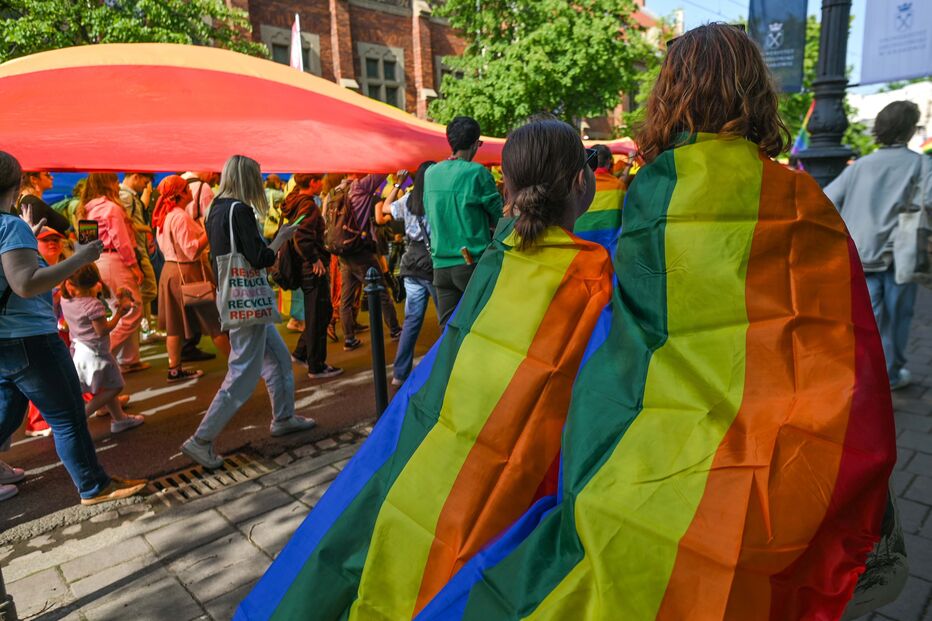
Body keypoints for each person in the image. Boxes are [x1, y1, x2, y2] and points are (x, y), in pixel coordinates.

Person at [236, 118, 613, 619]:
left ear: (509, 186)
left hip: (442, 273)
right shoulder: (594, 273)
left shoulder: (481, 234)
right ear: (579, 182)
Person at [0, 150, 146, 504]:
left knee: (7, 412)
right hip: (30, 338)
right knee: (67, 416)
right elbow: (24, 283)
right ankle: (94, 486)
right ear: (17, 183)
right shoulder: (10, 225)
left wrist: (28, 241)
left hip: (4, 341)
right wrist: (79, 258)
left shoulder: (13, 228)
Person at [182, 155, 316, 470]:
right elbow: (259, 257)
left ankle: (283, 417)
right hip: (249, 302)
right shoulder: (239, 210)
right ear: (247, 178)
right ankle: (201, 440)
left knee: (278, 359)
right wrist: (282, 237)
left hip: (236, 298)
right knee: (242, 372)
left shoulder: (216, 208)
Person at [826, 100, 931, 390]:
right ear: (910, 129)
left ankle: (860, 371)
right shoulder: (921, 164)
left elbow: (827, 198)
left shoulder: (861, 165)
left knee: (863, 318)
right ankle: (891, 374)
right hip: (900, 256)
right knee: (898, 319)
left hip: (860, 253)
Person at [423, 116, 503, 325]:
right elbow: (500, 217)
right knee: (482, 326)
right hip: (471, 263)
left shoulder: (431, 173)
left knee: (449, 333)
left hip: (440, 265)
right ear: (475, 143)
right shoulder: (477, 173)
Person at [152, 175, 230, 382]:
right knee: (215, 322)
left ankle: (175, 369)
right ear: (180, 194)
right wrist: (209, 232)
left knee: (174, 325)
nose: (191, 191)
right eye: (187, 189)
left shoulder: (166, 215)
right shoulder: (179, 217)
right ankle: (238, 365)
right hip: (188, 273)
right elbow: (191, 251)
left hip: (171, 272)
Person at [60, 265, 145, 433]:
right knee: (116, 386)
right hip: (97, 354)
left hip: (78, 351)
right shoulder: (92, 305)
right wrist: (120, 312)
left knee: (107, 384)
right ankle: (83, 415)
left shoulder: (66, 300)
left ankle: (119, 419)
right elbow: (103, 330)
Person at [78, 173, 149, 374]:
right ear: (107, 183)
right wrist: (134, 265)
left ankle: (128, 359)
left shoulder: (87, 209)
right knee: (132, 310)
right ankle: (100, 354)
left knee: (120, 307)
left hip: (99, 261)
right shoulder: (111, 208)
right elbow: (122, 240)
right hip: (115, 260)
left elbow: (85, 244)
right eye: (113, 180)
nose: (117, 184)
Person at [378, 162, 438, 386]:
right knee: (446, 319)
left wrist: (397, 184)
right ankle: (447, 367)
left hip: (410, 262)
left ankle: (400, 373)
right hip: (432, 263)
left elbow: (385, 208)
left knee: (412, 321)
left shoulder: (408, 199)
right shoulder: (436, 199)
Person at [285, 174, 342, 379]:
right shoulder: (307, 205)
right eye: (319, 180)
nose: (322, 184)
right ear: (312, 183)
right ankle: (316, 365)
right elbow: (301, 235)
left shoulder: (294, 201)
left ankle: (302, 352)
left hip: (304, 267)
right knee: (320, 313)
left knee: (317, 312)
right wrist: (314, 258)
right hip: (312, 268)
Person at [339, 173, 401, 350]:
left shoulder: (336, 191)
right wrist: (398, 183)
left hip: (343, 250)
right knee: (380, 290)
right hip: (360, 250)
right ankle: (395, 329)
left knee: (347, 297)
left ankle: (349, 338)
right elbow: (382, 171)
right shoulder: (360, 188)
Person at [180, 171, 220, 363]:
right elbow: (211, 221)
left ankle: (186, 345)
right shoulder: (203, 188)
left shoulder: (172, 213)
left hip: (176, 260)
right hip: (196, 254)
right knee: (205, 300)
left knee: (185, 304)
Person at [119, 172, 160, 343]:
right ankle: (136, 321)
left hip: (138, 248)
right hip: (135, 250)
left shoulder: (130, 196)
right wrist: (147, 229)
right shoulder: (125, 197)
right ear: (135, 176)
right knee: (148, 289)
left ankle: (143, 327)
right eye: (145, 181)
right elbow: (127, 223)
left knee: (145, 289)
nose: (146, 186)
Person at [573, 143, 626, 254]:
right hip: (609, 251)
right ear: (608, 162)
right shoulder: (619, 186)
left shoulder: (578, 184)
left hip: (579, 247)